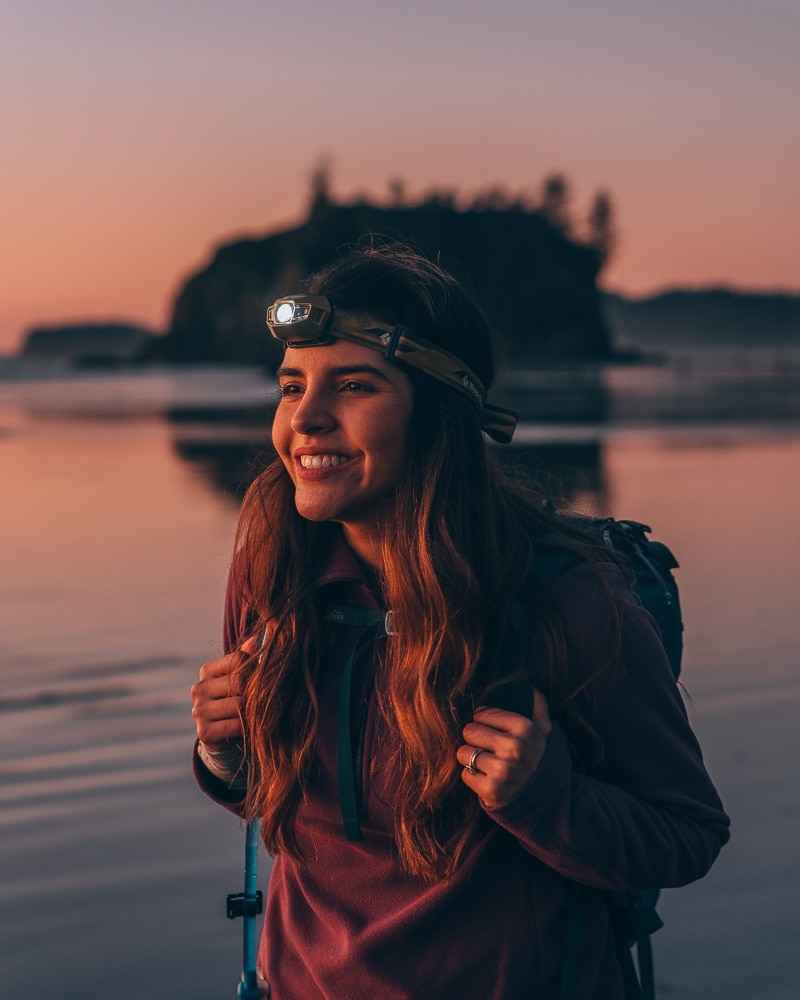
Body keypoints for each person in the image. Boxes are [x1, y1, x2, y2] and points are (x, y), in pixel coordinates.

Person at [190, 243, 729, 999]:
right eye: (290, 386)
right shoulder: (274, 572)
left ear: (439, 412)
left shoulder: (570, 601)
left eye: (353, 385)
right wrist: (224, 753)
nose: (305, 419)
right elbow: (275, 798)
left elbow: (686, 836)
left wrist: (548, 798)